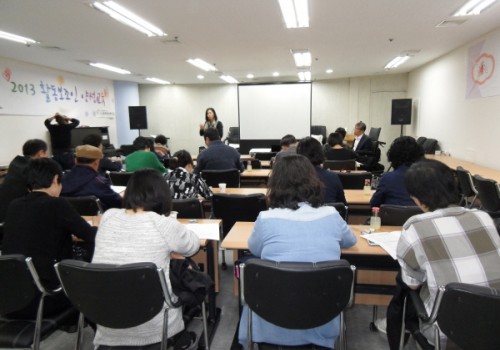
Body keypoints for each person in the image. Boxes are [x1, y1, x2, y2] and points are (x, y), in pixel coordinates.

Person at [238, 154, 356, 349]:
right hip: (322, 309)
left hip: (272, 311)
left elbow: (254, 249)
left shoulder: (266, 218)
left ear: (275, 184)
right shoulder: (331, 214)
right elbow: (350, 241)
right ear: (313, 181)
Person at [386, 159, 500, 350]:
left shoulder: (414, 227)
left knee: (405, 289)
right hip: (495, 324)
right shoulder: (483, 216)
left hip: (450, 332)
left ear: (416, 199)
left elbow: (412, 284)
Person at [92, 169, 200, 349]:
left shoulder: (109, 216)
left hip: (106, 315)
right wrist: (169, 250)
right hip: (154, 321)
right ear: (163, 195)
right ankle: (181, 337)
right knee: (188, 269)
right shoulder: (163, 223)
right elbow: (192, 246)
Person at [2, 158, 96, 319]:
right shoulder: (57, 205)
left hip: (10, 299)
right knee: (94, 285)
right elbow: (89, 235)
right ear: (55, 179)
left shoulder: (14, 205)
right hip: (44, 297)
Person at [61, 145, 122, 210]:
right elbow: (118, 202)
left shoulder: (63, 180)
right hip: (99, 218)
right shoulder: (99, 183)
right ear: (96, 163)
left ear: (76, 161)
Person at [0, 139, 48, 222]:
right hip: (17, 217)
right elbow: (42, 192)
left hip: (4, 213)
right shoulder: (34, 167)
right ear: (40, 153)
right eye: (45, 153)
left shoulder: (16, 163)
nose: (47, 156)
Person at [370, 136, 424, 208]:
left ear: (393, 155)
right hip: (419, 218)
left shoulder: (387, 178)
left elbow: (374, 204)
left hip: (392, 218)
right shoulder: (427, 178)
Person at [297, 136, 346, 204]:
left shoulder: (291, 178)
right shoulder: (332, 177)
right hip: (329, 214)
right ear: (320, 152)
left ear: (298, 154)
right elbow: (342, 205)